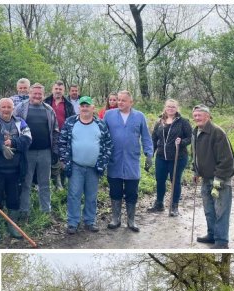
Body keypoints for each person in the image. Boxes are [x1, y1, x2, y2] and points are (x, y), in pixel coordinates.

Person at [59, 96, 113, 234]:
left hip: (94, 167)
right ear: (79, 108)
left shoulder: (100, 124)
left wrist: (103, 162)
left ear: (92, 108)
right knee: (74, 195)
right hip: (75, 165)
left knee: (91, 196)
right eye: (82, 106)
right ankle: (73, 222)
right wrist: (64, 160)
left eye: (87, 106)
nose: (84, 108)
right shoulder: (70, 122)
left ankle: (90, 221)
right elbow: (62, 142)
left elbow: (108, 144)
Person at [103, 90, 153, 232]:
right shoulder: (109, 115)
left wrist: (149, 154)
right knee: (115, 191)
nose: (120, 102)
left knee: (132, 192)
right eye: (118, 100)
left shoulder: (139, 116)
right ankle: (115, 218)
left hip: (132, 160)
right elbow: (101, 135)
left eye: (123, 100)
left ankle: (131, 220)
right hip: (114, 160)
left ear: (131, 102)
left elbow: (146, 137)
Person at [0, 97, 31, 241]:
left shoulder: (20, 122)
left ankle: (12, 226)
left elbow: (28, 138)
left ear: (13, 108)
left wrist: (13, 142)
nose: (6, 110)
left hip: (16, 170)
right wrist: (1, 147)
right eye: (3, 107)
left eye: (8, 107)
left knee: (14, 198)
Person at [13, 83, 59, 223]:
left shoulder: (49, 109)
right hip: (27, 153)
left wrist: (55, 151)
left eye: (40, 94)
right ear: (30, 93)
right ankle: (24, 212)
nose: (37, 96)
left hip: (45, 152)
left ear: (43, 95)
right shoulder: (21, 108)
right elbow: (14, 128)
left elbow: (55, 130)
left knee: (45, 183)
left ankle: (46, 211)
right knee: (26, 183)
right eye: (35, 93)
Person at [192, 105, 234, 249]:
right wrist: (196, 171)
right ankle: (212, 235)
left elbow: (227, 160)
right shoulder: (196, 132)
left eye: (200, 115)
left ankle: (222, 241)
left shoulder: (217, 132)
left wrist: (219, 178)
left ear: (208, 116)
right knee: (209, 209)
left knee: (221, 210)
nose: (197, 118)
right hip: (205, 178)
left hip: (220, 179)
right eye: (195, 115)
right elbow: (196, 155)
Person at [148, 99, 192, 216]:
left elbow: (190, 138)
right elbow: (154, 139)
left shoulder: (183, 122)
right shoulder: (160, 122)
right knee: (160, 180)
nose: (170, 109)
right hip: (161, 157)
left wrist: (182, 141)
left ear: (177, 108)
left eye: (173, 107)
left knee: (175, 181)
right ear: (165, 107)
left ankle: (174, 206)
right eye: (168, 106)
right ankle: (159, 203)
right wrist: (151, 153)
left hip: (178, 157)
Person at [45, 81, 76, 190]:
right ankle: (52, 184)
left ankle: (62, 185)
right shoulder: (46, 102)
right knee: (51, 159)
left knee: (63, 159)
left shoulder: (68, 105)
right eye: (56, 89)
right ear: (52, 89)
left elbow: (73, 121)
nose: (58, 91)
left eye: (60, 89)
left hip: (64, 136)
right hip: (48, 135)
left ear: (64, 91)